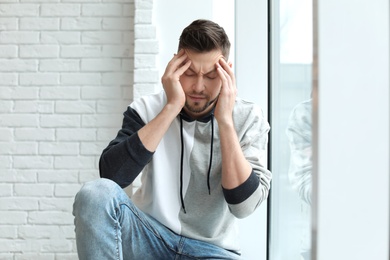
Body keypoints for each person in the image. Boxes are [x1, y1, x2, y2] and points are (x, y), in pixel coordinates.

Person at [73, 19, 271, 260]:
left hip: (213, 251)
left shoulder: (249, 118)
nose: (199, 86)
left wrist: (226, 122)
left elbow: (244, 207)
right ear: (174, 66)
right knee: (94, 193)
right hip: (147, 236)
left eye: (210, 76)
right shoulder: (147, 109)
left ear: (226, 73)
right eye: (189, 73)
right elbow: (112, 177)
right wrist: (172, 106)